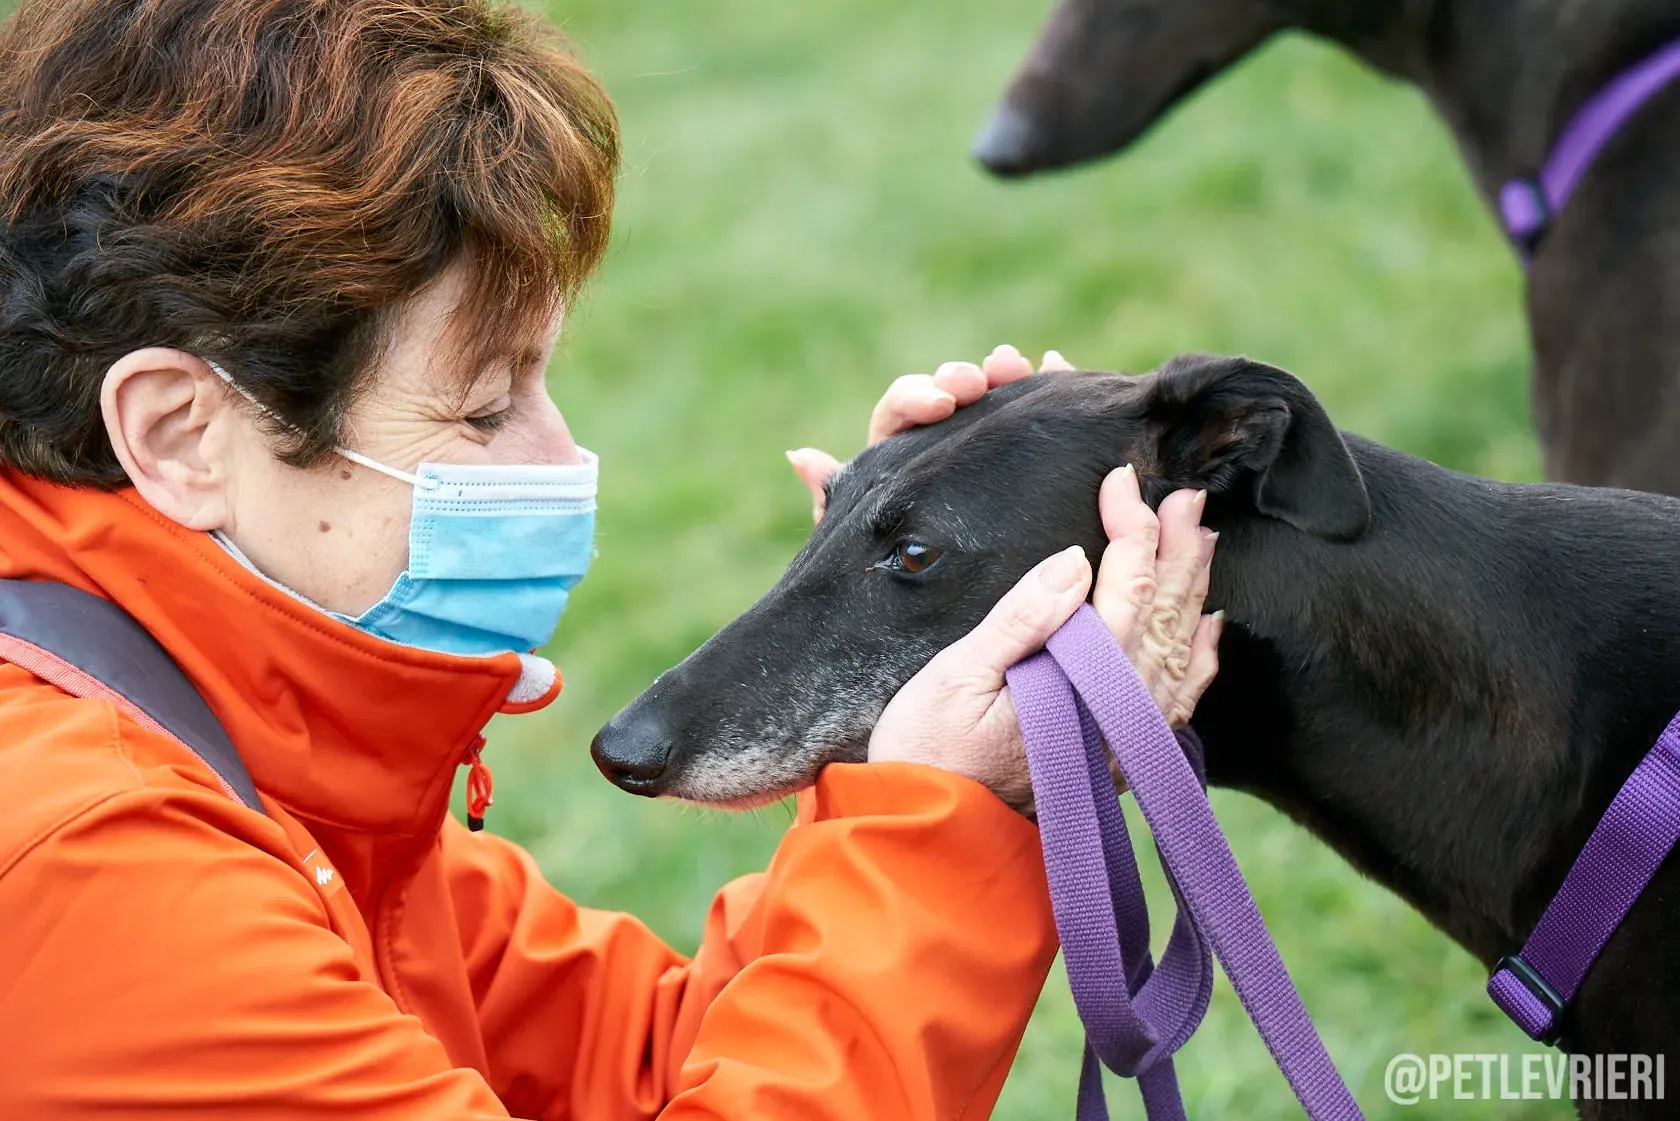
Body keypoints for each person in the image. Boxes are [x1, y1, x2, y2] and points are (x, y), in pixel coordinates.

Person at [0, 1, 1219, 1117]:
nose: (560, 455)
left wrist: (885, 660)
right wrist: (952, 818)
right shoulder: (93, 866)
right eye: (481, 410)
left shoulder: (280, 764)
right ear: (178, 432)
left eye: (539, 379)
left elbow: (650, 1068)